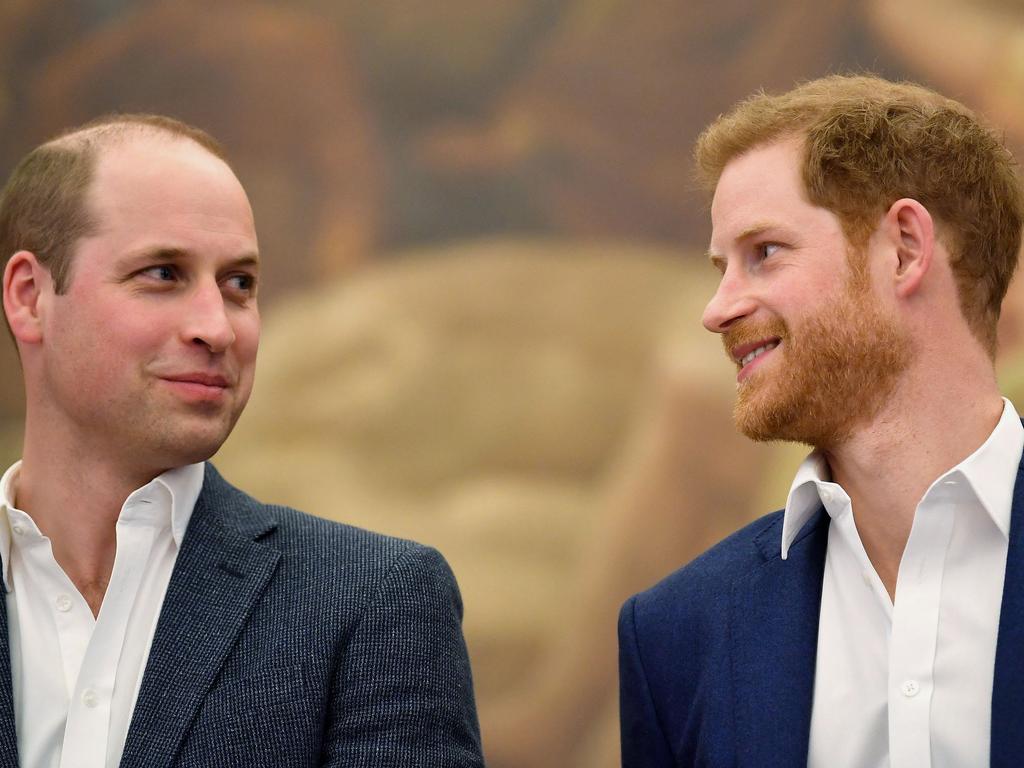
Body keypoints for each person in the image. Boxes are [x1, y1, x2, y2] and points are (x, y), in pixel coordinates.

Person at [0, 114, 483, 767]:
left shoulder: (372, 603)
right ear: (30, 298)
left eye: (239, 285)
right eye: (163, 273)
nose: (218, 328)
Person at [618, 74, 1024, 768]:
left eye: (763, 253)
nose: (715, 310)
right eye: (721, 267)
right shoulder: (676, 633)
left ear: (903, 248)